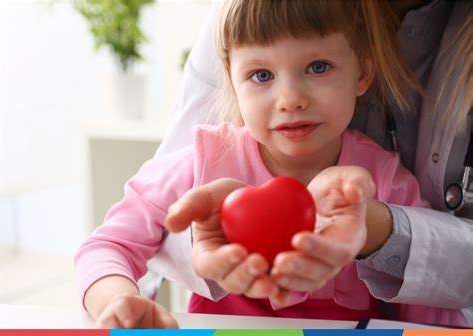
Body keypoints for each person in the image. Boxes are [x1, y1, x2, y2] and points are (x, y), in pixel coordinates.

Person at [75, 0, 472, 328]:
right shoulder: (202, 160)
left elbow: (429, 308)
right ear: (231, 82)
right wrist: (120, 300)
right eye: (261, 74)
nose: (290, 98)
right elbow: (107, 245)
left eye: (318, 67)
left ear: (362, 73)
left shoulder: (381, 181)